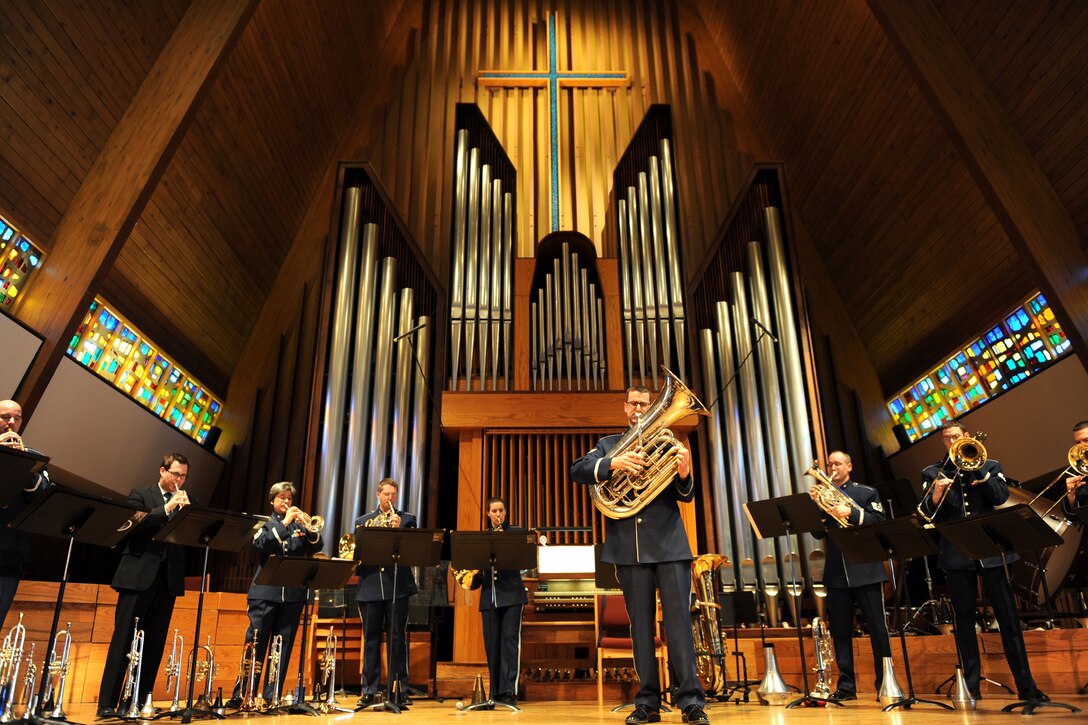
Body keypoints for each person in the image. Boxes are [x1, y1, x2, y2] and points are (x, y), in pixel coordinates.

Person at [570, 385, 708, 725]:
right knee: (640, 630)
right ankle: (648, 701)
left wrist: (685, 474)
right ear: (624, 408)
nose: (639, 409)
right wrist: (614, 462)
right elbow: (578, 470)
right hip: (629, 551)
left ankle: (690, 701)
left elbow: (686, 496)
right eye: (633, 403)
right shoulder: (608, 444)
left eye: (645, 403)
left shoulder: (669, 441)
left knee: (678, 627)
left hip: (670, 547)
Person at [918, 421, 1046, 702]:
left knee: (1009, 620)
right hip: (955, 553)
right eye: (947, 438)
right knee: (963, 622)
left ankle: (1027, 687)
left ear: (966, 436)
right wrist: (937, 493)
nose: (951, 441)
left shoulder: (990, 464)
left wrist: (979, 470)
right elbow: (927, 514)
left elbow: (1000, 497)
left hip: (992, 550)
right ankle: (971, 686)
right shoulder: (933, 472)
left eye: (956, 436)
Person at [98, 453, 193, 718]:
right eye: (175, 474)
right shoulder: (140, 494)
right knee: (124, 639)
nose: (180, 480)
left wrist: (186, 514)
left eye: (184, 476)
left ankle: (142, 700)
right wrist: (167, 508)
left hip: (168, 579)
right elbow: (133, 524)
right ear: (162, 471)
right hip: (138, 575)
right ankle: (108, 702)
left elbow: (193, 536)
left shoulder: (188, 501)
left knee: (155, 643)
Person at [228, 482, 323, 706]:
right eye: (282, 498)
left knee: (283, 646)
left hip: (292, 596)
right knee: (256, 643)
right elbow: (263, 544)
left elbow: (316, 547)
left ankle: (273, 696)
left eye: (289, 498)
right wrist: (286, 522)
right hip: (264, 595)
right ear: (272, 500)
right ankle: (243, 694)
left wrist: (309, 527)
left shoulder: (300, 526)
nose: (287, 502)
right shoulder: (265, 523)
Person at [808, 450, 891, 701]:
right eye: (830, 463)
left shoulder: (866, 492)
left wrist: (851, 513)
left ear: (849, 466)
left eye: (838, 463)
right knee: (841, 632)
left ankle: (885, 682)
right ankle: (846, 687)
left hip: (866, 569)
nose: (833, 467)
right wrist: (816, 508)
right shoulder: (824, 493)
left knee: (878, 629)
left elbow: (879, 520)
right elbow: (818, 535)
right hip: (836, 572)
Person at [354, 478, 417, 708]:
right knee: (370, 640)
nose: (389, 498)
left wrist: (399, 528)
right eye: (386, 494)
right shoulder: (363, 522)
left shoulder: (408, 520)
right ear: (377, 495)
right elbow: (356, 554)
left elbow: (413, 552)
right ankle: (369, 690)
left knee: (397, 639)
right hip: (370, 587)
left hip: (397, 587)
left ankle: (399, 688)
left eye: (393, 495)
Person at [469, 496, 527, 708]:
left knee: (510, 642)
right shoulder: (482, 538)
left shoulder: (517, 534)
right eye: (494, 511)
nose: (498, 514)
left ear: (505, 512)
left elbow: (525, 560)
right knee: (491, 644)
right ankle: (494, 690)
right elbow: (475, 572)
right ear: (488, 514)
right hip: (489, 596)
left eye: (501, 510)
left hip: (512, 595)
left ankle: (509, 690)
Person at [0, 399, 50, 625]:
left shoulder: (35, 458)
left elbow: (40, 499)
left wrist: (25, 465)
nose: (11, 423)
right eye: (5, 417)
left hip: (8, 555)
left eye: (17, 418)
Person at [1061, 420, 1088, 515]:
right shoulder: (1081, 476)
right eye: (1078, 442)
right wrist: (1071, 496)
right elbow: (1075, 518)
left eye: (1086, 440)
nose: (1081, 446)